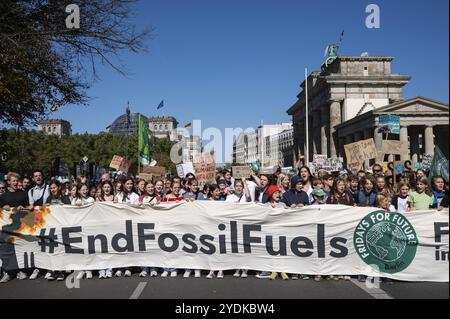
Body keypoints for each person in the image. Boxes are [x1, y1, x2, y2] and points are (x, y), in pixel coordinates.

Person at [0, 172, 32, 283]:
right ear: (8, 182)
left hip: (21, 226)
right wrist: (3, 207)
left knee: (21, 247)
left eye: (17, 181)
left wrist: (24, 207)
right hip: (7, 227)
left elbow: (28, 207)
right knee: (7, 249)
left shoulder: (23, 193)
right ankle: (8, 272)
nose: (16, 183)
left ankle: (21, 270)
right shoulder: (3, 196)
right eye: (13, 181)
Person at [256, 186, 286, 280]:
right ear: (270, 195)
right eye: (275, 193)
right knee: (268, 251)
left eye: (278, 193)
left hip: (281, 232)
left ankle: (281, 270)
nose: (277, 195)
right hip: (268, 233)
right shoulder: (266, 205)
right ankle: (268, 270)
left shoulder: (282, 204)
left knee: (280, 252)